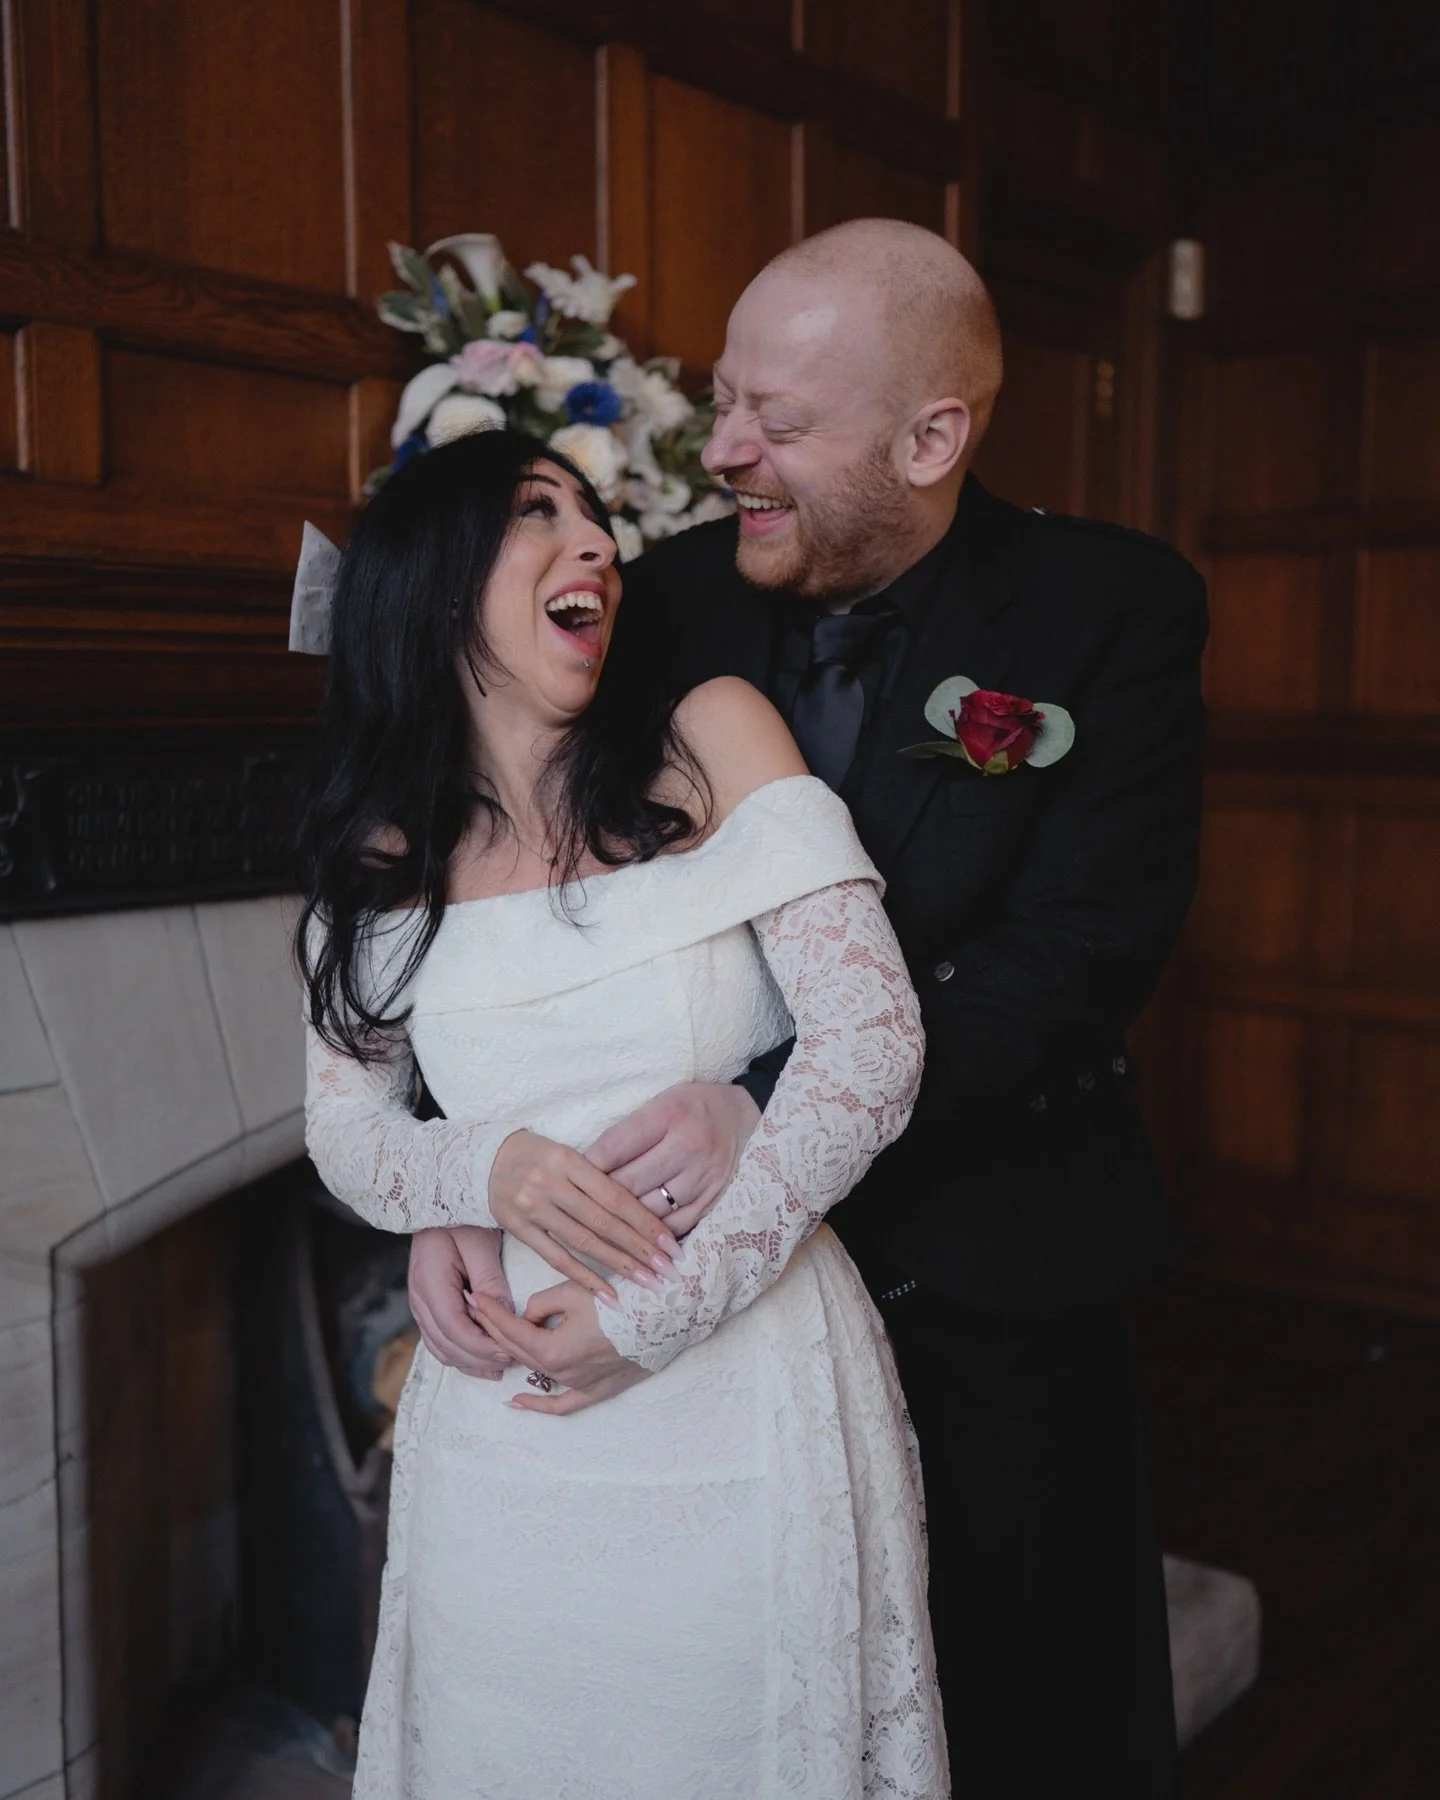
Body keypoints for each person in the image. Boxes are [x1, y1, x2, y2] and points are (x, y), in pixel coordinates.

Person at [410, 218, 1208, 1798]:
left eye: (777, 420)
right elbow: (502, 885)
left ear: (930, 440)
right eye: (722, 401)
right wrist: (451, 1170)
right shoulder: (658, 600)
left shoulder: (1108, 608)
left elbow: (1081, 953)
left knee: (1023, 1715)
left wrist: (768, 1106)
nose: (724, 453)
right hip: (707, 1320)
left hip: (988, 1264)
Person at [296, 427, 947, 1798]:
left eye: (594, 515)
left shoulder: (711, 736)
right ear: (431, 583)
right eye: (539, 512)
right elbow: (348, 1133)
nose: (595, 541)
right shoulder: (385, 846)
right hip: (502, 1424)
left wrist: (658, 1314)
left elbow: (872, 1042)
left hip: (742, 1385)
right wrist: (480, 1173)